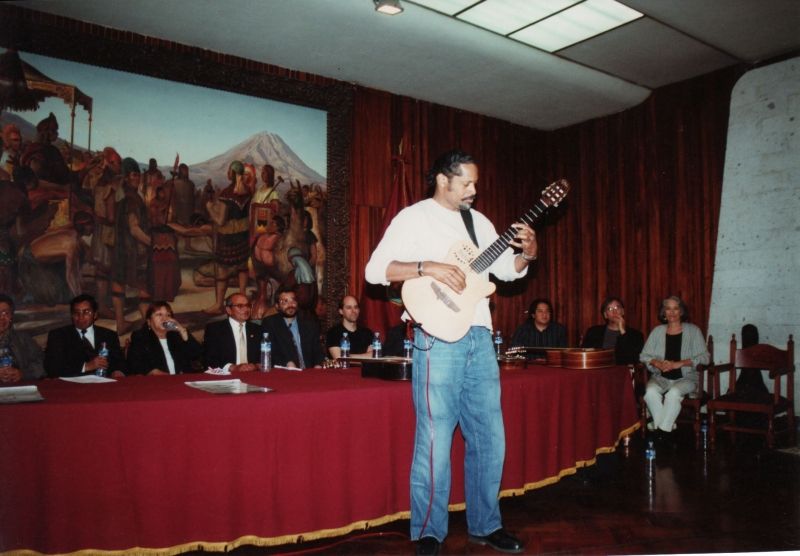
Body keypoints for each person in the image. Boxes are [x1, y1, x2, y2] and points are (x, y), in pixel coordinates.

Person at [364, 150, 533, 555]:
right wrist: (428, 267)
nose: (474, 190)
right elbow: (375, 270)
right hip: (437, 338)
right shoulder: (413, 217)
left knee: (489, 437)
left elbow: (507, 271)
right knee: (435, 439)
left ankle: (486, 525)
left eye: (475, 183)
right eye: (467, 183)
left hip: (479, 336)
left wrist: (528, 253)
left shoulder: (480, 222)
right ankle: (428, 531)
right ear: (443, 179)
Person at [640, 295, 710, 440]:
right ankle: (667, 427)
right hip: (660, 377)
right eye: (668, 309)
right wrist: (657, 363)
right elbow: (644, 355)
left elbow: (705, 358)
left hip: (686, 378)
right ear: (663, 312)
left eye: (675, 308)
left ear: (681, 311)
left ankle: (661, 432)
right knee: (650, 392)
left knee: (673, 393)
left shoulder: (693, 331)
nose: (672, 312)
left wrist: (680, 363)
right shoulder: (657, 331)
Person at [44, 294, 126, 377]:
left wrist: (118, 371)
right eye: (76, 313)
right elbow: (52, 368)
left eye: (86, 312)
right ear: (72, 315)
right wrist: (86, 366)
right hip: (72, 383)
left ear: (95, 315)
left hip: (106, 383)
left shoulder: (109, 335)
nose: (81, 317)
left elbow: (119, 362)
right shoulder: (58, 336)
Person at [126, 301, 202, 375]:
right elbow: (139, 365)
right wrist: (170, 379)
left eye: (168, 315)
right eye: (159, 314)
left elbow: (198, 356)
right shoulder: (140, 337)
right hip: (156, 382)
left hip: (182, 380)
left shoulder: (177, 336)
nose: (164, 319)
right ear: (149, 321)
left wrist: (182, 330)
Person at [262, 286, 324, 368]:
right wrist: (286, 363)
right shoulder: (270, 323)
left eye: (293, 300)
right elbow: (271, 351)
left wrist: (318, 365)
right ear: (277, 306)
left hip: (309, 371)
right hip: (285, 371)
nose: (290, 305)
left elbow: (318, 350)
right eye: (285, 301)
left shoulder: (309, 323)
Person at [202, 292, 262, 372]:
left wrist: (255, 366)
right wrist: (231, 367)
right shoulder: (215, 329)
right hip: (226, 375)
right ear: (229, 310)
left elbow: (264, 356)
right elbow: (209, 358)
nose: (246, 309)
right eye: (240, 306)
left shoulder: (257, 329)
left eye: (248, 305)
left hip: (253, 374)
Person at [580, 296, 644, 365]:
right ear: (605, 315)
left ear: (623, 311)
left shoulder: (636, 335)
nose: (614, 312)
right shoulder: (594, 332)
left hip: (622, 370)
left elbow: (632, 359)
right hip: (598, 368)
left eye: (617, 308)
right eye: (610, 309)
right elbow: (584, 355)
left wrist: (623, 332)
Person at [0, 293, 44, 383]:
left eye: (5, 313)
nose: (1, 318)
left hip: (21, 387)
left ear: (11, 316)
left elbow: (42, 363)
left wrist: (23, 374)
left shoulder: (23, 339)